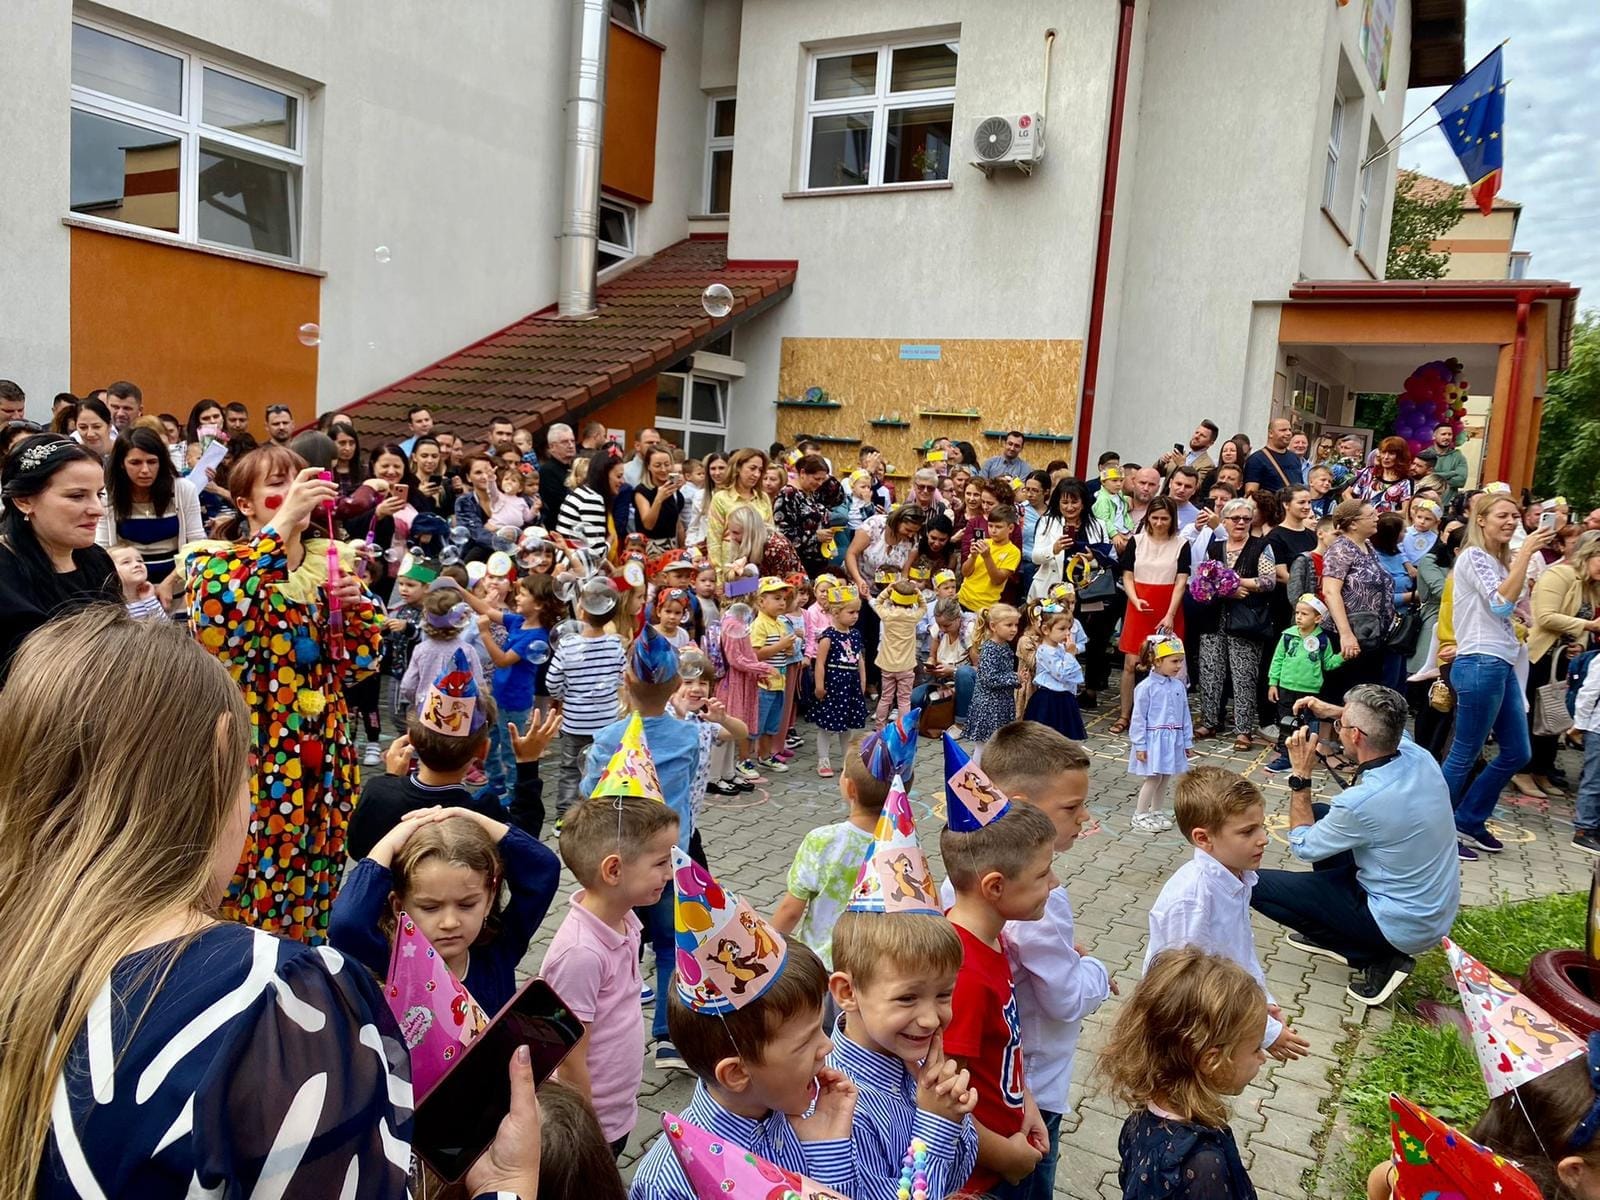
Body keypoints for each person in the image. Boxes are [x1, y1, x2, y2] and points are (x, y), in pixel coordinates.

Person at [0, 611, 541, 1200]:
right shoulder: (278, 1001)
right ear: (219, 760)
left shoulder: (21, 949)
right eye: (247, 770)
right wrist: (508, 1186)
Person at [186, 448, 383, 943]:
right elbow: (215, 626)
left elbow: (360, 664)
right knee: (248, 868)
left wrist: (354, 611)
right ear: (245, 504)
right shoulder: (217, 564)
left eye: (301, 480)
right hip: (255, 751)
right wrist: (279, 528)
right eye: (278, 484)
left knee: (317, 867)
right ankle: (237, 965)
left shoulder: (328, 567)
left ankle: (302, 964)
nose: (296, 492)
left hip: (323, 750)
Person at [627, 857, 856, 1200]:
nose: (828, 1047)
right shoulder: (673, 1182)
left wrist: (828, 1149)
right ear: (736, 1073)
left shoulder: (807, 1113)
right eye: (805, 1041)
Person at [972, 725, 1113, 1200]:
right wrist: (1096, 972)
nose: (1084, 817)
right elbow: (1066, 998)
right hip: (1032, 1084)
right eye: (1071, 807)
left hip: (998, 1082)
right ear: (1021, 806)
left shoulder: (967, 880)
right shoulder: (1041, 901)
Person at [1252, 686, 1461, 1005]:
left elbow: (1304, 846)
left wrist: (1301, 775)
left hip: (1402, 926)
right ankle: (1339, 922)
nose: (1336, 728)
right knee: (1321, 814)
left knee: (1252, 884)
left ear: (1356, 736)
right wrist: (1332, 711)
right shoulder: (1419, 757)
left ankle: (1378, 958)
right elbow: (1386, 728)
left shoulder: (1363, 801)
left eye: (1341, 725)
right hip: (1430, 909)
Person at [826, 790, 980, 1200]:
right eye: (907, 999)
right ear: (847, 991)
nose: (931, 1019)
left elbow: (961, 1170)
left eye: (944, 995)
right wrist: (937, 1124)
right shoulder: (837, 1106)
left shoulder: (917, 1062)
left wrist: (953, 1115)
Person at [939, 756, 1056, 1197]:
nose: (1054, 882)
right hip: (980, 1177)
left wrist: (1026, 1103)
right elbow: (944, 1101)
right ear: (995, 887)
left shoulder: (992, 938)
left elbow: (1003, 1048)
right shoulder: (963, 974)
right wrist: (1004, 1155)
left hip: (1010, 1136)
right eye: (1042, 874)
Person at [330, 800, 559, 1020]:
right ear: (399, 906)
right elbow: (346, 924)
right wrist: (388, 843)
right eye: (430, 907)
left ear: (489, 900)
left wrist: (474, 819)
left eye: (467, 905)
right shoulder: (392, 961)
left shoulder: (498, 950)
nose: (450, 922)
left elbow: (543, 869)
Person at [544, 791, 678, 1156]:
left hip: (617, 1110)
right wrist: (584, 1131)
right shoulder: (580, 954)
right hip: (590, 1123)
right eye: (661, 862)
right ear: (614, 870)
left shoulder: (625, 919)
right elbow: (569, 1055)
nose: (670, 873)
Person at [1146, 767, 1310, 1062]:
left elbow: (1239, 955)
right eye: (1247, 831)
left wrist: (1260, 1003)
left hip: (1221, 1017)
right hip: (1190, 1034)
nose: (1264, 839)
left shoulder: (1236, 878)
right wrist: (1265, 1031)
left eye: (1261, 826)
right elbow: (1190, 987)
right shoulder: (1193, 900)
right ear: (1203, 838)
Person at [1440, 492, 1555, 859]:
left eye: (1514, 517)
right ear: (1481, 520)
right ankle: (1436, 832)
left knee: (1517, 752)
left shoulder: (1499, 562)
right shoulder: (1473, 556)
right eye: (1502, 515)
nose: (1510, 522)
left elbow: (1509, 608)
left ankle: (1468, 820)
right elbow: (1500, 604)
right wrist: (1527, 552)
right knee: (1465, 752)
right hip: (1480, 662)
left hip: (1501, 662)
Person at [1099, 947, 1266, 1200]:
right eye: (1256, 1048)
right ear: (1212, 1060)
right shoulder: (1203, 1166)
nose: (1263, 1057)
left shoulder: (1141, 1118)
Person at [773, 731, 899, 967]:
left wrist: (766, 952)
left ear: (850, 788)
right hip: (875, 966)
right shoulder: (903, 844)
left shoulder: (823, 840)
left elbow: (791, 910)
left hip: (823, 964)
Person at [0, 435, 119, 683]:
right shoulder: (6, 573)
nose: (97, 509)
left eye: (99, 494)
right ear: (24, 500)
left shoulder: (98, 561)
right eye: (77, 496)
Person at [1520, 530, 1600, 798]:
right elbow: (1545, 617)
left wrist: (1581, 643)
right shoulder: (1559, 575)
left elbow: (1583, 623)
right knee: (1533, 717)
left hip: (1564, 659)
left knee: (1554, 718)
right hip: (1540, 656)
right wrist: (1587, 626)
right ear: (1588, 555)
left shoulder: (1590, 585)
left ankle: (1541, 770)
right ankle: (1522, 771)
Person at [1194, 498, 1275, 750]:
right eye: (1235, 518)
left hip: (1246, 621)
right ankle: (1210, 721)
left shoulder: (1261, 546)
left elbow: (1268, 581)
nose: (1241, 523)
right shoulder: (1214, 547)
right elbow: (1203, 581)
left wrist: (1234, 580)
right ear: (1224, 521)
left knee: (1244, 675)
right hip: (1213, 618)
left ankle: (1243, 730)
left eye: (1246, 519)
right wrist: (1227, 588)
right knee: (1210, 672)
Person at [548, 581, 626, 823]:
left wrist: (564, 695)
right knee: (603, 767)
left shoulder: (567, 645)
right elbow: (622, 678)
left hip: (574, 723)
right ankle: (599, 815)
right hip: (606, 723)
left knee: (570, 770)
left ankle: (565, 818)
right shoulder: (615, 645)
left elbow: (552, 682)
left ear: (581, 611)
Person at [1114, 496, 1191, 733]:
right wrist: (1134, 599)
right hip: (1139, 605)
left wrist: (1170, 614)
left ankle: (1164, 717)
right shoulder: (1136, 541)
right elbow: (1127, 575)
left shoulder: (1181, 544)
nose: (1158, 523)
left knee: (1168, 663)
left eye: (1164, 518)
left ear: (1172, 519)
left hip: (1167, 607)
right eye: (1154, 517)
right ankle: (1125, 715)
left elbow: (1181, 582)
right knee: (1131, 663)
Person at [96, 426, 205, 586]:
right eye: (135, 463)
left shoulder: (183, 489)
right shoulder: (108, 496)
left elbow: (197, 544)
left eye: (152, 462)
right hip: (129, 589)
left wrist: (169, 583)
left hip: (177, 586)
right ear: (121, 464)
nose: (145, 470)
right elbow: (103, 549)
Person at [1319, 500, 1394, 695]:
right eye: (1371, 515)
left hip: (1370, 634)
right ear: (1353, 523)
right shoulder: (1341, 549)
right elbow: (1330, 591)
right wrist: (1345, 634)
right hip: (1349, 634)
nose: (1377, 518)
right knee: (1346, 692)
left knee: (1367, 693)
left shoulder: (1367, 545)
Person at [1264, 595, 1343, 772]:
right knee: (1286, 723)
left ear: (1318, 618)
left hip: (1310, 691)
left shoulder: (1322, 640)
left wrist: (1342, 657)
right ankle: (1285, 757)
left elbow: (1328, 663)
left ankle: (1306, 756)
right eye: (1297, 613)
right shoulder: (1288, 635)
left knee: (1309, 724)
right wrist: (1273, 683)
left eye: (1304, 614)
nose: (1299, 617)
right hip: (1286, 687)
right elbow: (1277, 660)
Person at [1129, 635, 1193, 831]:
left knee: (1165, 776)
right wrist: (1140, 745)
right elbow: (1138, 718)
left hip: (1172, 739)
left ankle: (1155, 810)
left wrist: (1187, 741)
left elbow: (1185, 714)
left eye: (1181, 661)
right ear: (1157, 661)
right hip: (1153, 741)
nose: (1179, 666)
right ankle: (1140, 813)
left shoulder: (1178, 686)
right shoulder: (1145, 687)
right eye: (1174, 661)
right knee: (1154, 777)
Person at [1024, 604, 1088, 740]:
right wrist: (1070, 654)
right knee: (1047, 738)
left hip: (1064, 698)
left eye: (1069, 628)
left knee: (1064, 738)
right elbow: (1061, 673)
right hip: (1049, 700)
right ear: (1046, 630)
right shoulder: (1045, 650)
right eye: (1062, 629)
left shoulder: (1060, 647)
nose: (1067, 633)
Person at [707, 448, 773, 570]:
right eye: (752, 468)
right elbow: (714, 540)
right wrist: (719, 572)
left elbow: (770, 533)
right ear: (738, 468)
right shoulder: (721, 498)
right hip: (730, 564)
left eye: (760, 470)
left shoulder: (763, 498)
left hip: (759, 563)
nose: (756, 474)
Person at [966, 602, 1022, 744]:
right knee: (985, 746)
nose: (1014, 629)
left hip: (1001, 703)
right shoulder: (990, 649)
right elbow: (990, 678)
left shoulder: (1004, 645)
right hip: (989, 707)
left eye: (1016, 625)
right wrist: (1015, 678)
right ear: (993, 626)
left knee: (999, 744)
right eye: (1009, 625)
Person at [632, 445, 687, 552]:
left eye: (667, 464)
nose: (663, 469)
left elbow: (678, 523)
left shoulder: (674, 489)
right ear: (648, 466)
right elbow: (648, 525)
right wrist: (659, 499)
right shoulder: (641, 491)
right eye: (657, 465)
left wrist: (683, 548)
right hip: (649, 548)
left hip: (671, 548)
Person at [1349, 437, 1414, 515]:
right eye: (1383, 452)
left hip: (1386, 521)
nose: (1386, 457)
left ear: (1400, 456)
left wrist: (1379, 515)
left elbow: (1404, 513)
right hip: (1361, 519)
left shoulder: (1405, 482)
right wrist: (1359, 511)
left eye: (1391, 453)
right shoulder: (1369, 472)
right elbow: (1347, 494)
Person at [1242, 417, 1299, 497]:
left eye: (1290, 430)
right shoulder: (1256, 459)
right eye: (1283, 430)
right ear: (1270, 433)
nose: (1288, 433)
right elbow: (1251, 493)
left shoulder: (1294, 458)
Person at [539, 421, 578, 522]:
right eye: (565, 442)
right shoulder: (547, 471)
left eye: (573, 441)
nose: (571, 445)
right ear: (552, 447)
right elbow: (558, 503)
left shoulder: (576, 467)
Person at [1428, 423, 1468, 507]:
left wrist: (1434, 477)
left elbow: (1461, 481)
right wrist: (1452, 473)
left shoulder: (1458, 457)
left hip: (1448, 507)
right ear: (1434, 436)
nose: (1447, 437)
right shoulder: (1425, 455)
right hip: (1426, 505)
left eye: (1450, 434)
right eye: (1443, 434)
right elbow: (1423, 479)